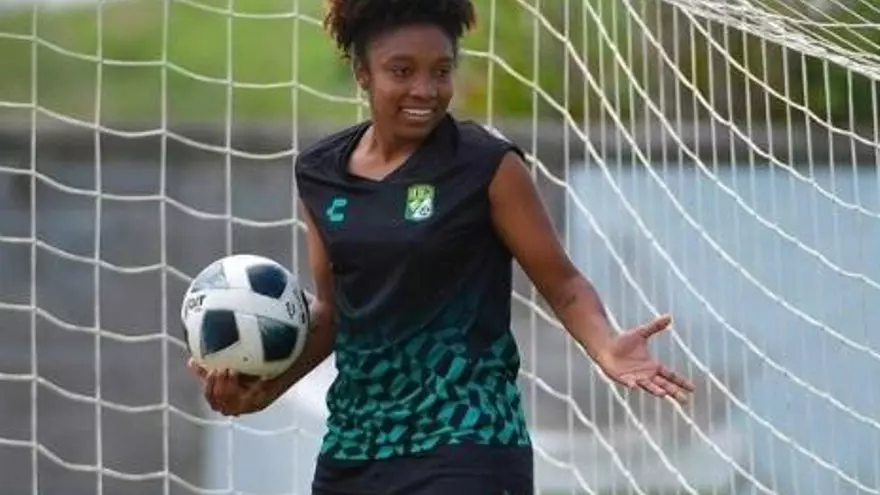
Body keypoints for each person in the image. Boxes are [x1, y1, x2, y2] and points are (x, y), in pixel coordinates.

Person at [187, 0, 696, 493]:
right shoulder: (320, 173)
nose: (425, 90)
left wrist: (605, 344)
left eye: (441, 71)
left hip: (468, 438)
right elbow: (336, 313)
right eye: (402, 71)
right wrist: (263, 391)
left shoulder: (488, 166)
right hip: (356, 446)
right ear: (363, 72)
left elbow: (562, 284)